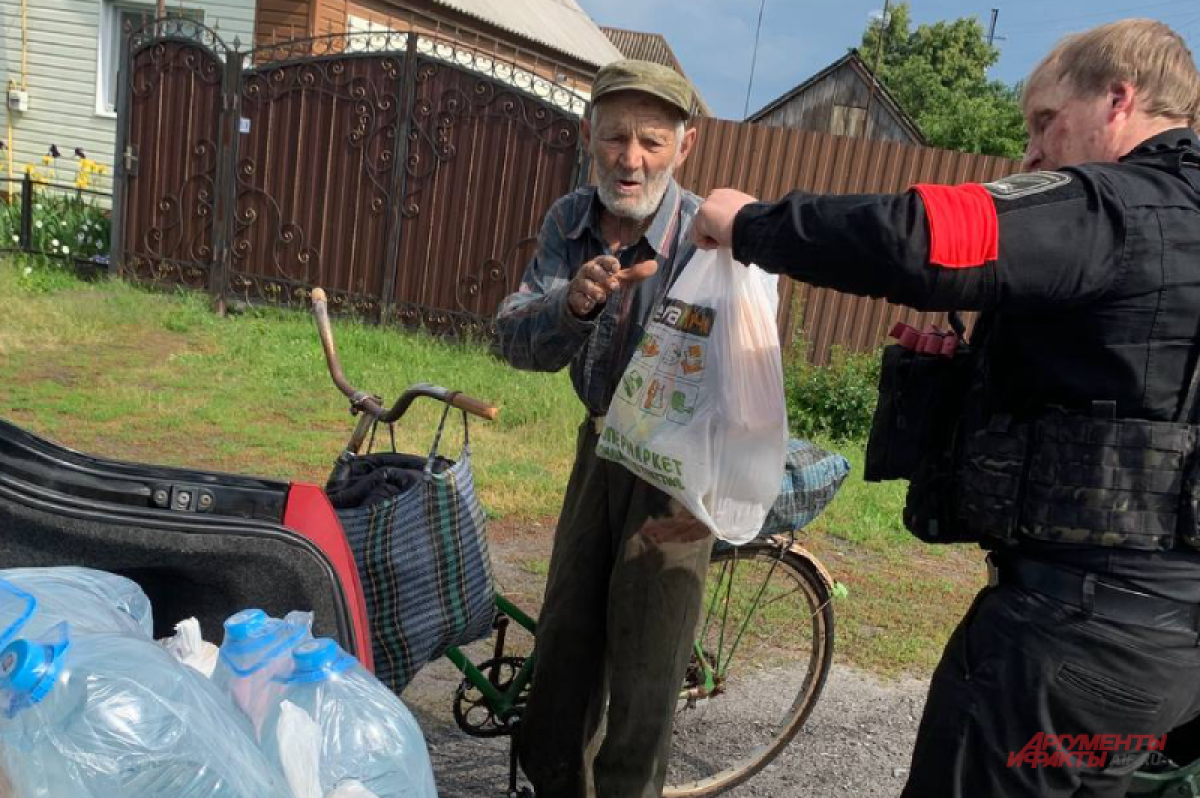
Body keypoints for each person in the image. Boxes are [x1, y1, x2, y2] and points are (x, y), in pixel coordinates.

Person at [691, 18, 1200, 798]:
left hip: (1069, 649)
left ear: (1118, 101)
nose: (1030, 154)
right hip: (1167, 656)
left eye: (1044, 122)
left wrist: (751, 223)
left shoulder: (1114, 208)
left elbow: (921, 238)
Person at [494, 59, 712, 798]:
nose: (631, 158)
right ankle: (551, 786)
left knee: (648, 675)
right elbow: (510, 338)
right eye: (615, 136)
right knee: (564, 645)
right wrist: (572, 305)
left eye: (652, 141)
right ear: (590, 135)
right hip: (600, 447)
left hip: (678, 476)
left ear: (684, 146)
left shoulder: (709, 235)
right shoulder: (570, 221)